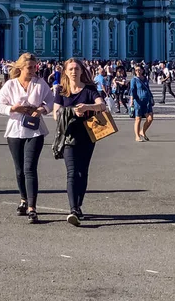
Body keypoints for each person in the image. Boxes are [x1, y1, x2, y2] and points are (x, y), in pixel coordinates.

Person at [0, 53, 54, 225]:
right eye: (30, 67)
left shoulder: (40, 83)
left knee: (30, 168)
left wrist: (42, 109)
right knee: (19, 169)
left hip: (35, 131)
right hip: (15, 131)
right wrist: (13, 108)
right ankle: (23, 199)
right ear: (20, 68)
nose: (34, 70)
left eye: (35, 67)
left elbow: (50, 101)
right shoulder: (10, 84)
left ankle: (32, 208)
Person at [53, 58, 106, 226]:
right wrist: (71, 112)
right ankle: (73, 208)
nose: (74, 71)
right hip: (69, 136)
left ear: (82, 71)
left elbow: (102, 106)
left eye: (76, 68)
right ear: (66, 72)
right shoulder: (61, 91)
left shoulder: (89, 89)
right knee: (72, 172)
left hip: (88, 136)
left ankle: (79, 204)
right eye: (71, 69)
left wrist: (87, 107)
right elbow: (55, 113)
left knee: (82, 172)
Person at [129, 66, 154, 141]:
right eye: (136, 70)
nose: (138, 71)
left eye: (139, 70)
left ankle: (142, 131)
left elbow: (148, 89)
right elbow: (132, 90)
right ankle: (137, 136)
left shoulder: (145, 78)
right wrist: (132, 100)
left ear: (142, 70)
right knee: (138, 119)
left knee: (150, 118)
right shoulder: (134, 80)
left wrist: (151, 98)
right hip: (138, 101)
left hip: (147, 101)